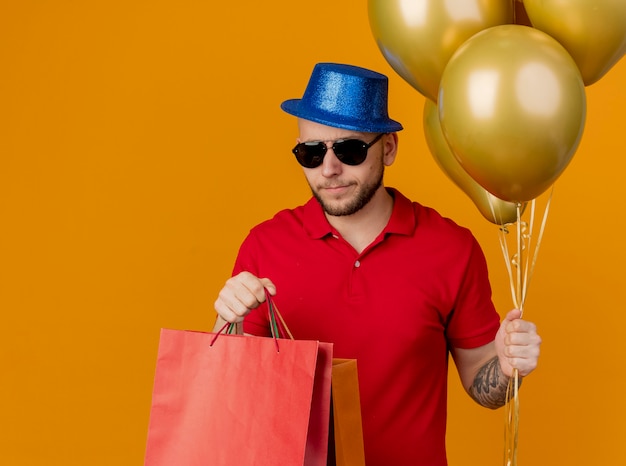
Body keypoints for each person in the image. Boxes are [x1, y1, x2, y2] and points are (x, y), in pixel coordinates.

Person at [212, 62, 542, 466]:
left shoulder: (451, 248)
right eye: (311, 153)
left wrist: (508, 369)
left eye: (349, 150)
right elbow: (231, 388)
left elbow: (480, 381)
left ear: (388, 148)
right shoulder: (266, 244)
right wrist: (228, 320)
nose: (329, 169)